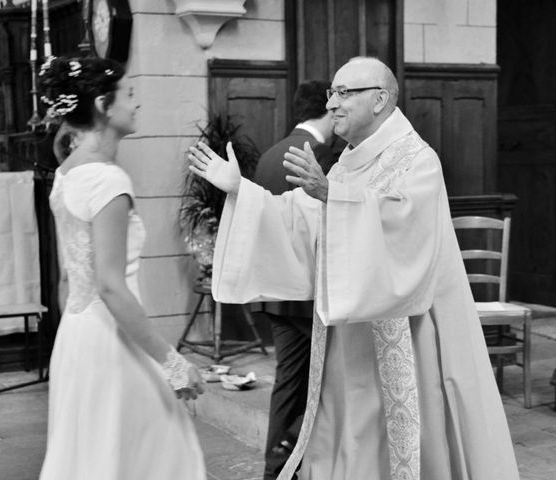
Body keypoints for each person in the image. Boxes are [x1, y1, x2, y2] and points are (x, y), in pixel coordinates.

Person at [188, 56, 520, 480]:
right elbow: (302, 219)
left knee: (399, 440)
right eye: (332, 93)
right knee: (351, 437)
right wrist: (242, 191)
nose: (333, 104)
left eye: (345, 93)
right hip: (349, 339)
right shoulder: (347, 162)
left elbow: (404, 228)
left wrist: (333, 195)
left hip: (408, 336)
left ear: (380, 99)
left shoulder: (417, 159)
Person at [38, 56, 206, 480]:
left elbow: (67, 280)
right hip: (112, 342)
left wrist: (76, 345)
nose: (136, 104)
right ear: (102, 106)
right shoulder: (108, 180)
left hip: (77, 338)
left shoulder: (66, 174)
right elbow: (111, 287)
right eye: (129, 94)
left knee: (97, 457)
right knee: (163, 450)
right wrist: (172, 362)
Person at [252, 80, 335, 480]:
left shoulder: (269, 154)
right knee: (331, 382)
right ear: (329, 109)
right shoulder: (319, 154)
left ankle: (277, 469)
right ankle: (304, 458)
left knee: (289, 382)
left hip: (274, 290)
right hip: (309, 292)